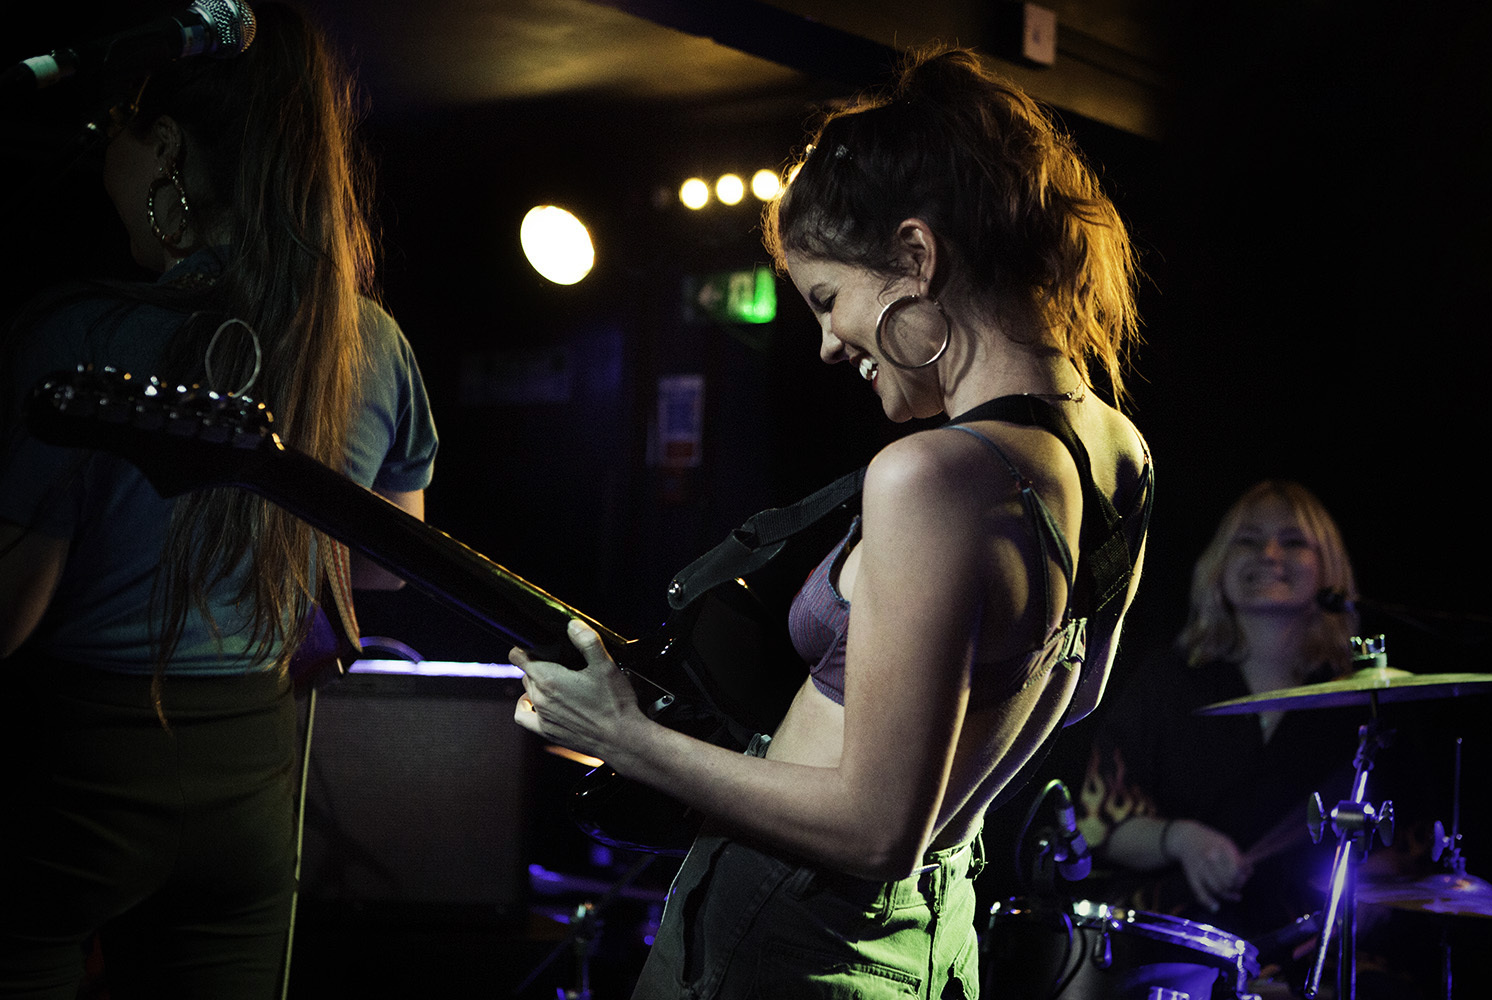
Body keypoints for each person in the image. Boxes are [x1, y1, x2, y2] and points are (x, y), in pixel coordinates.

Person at [511, 47, 1153, 999]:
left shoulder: (931, 476)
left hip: (794, 936)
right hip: (939, 933)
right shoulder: (1119, 452)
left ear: (916, 258)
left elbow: (875, 831)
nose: (824, 343)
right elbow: (1075, 693)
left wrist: (625, 738)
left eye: (828, 299)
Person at [0, 4, 438, 997]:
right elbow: (383, 557)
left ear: (167, 152)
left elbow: (11, 608)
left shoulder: (78, 331)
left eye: (117, 129)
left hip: (81, 770)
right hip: (249, 768)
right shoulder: (369, 339)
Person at [1077, 480, 1361, 945]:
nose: (1269, 554)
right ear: (1219, 563)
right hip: (1175, 945)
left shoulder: (1359, 706)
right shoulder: (1166, 685)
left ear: (1328, 569)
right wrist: (1181, 839)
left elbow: (1406, 860)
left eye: (1292, 541)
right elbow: (1097, 825)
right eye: (1247, 540)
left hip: (1313, 955)